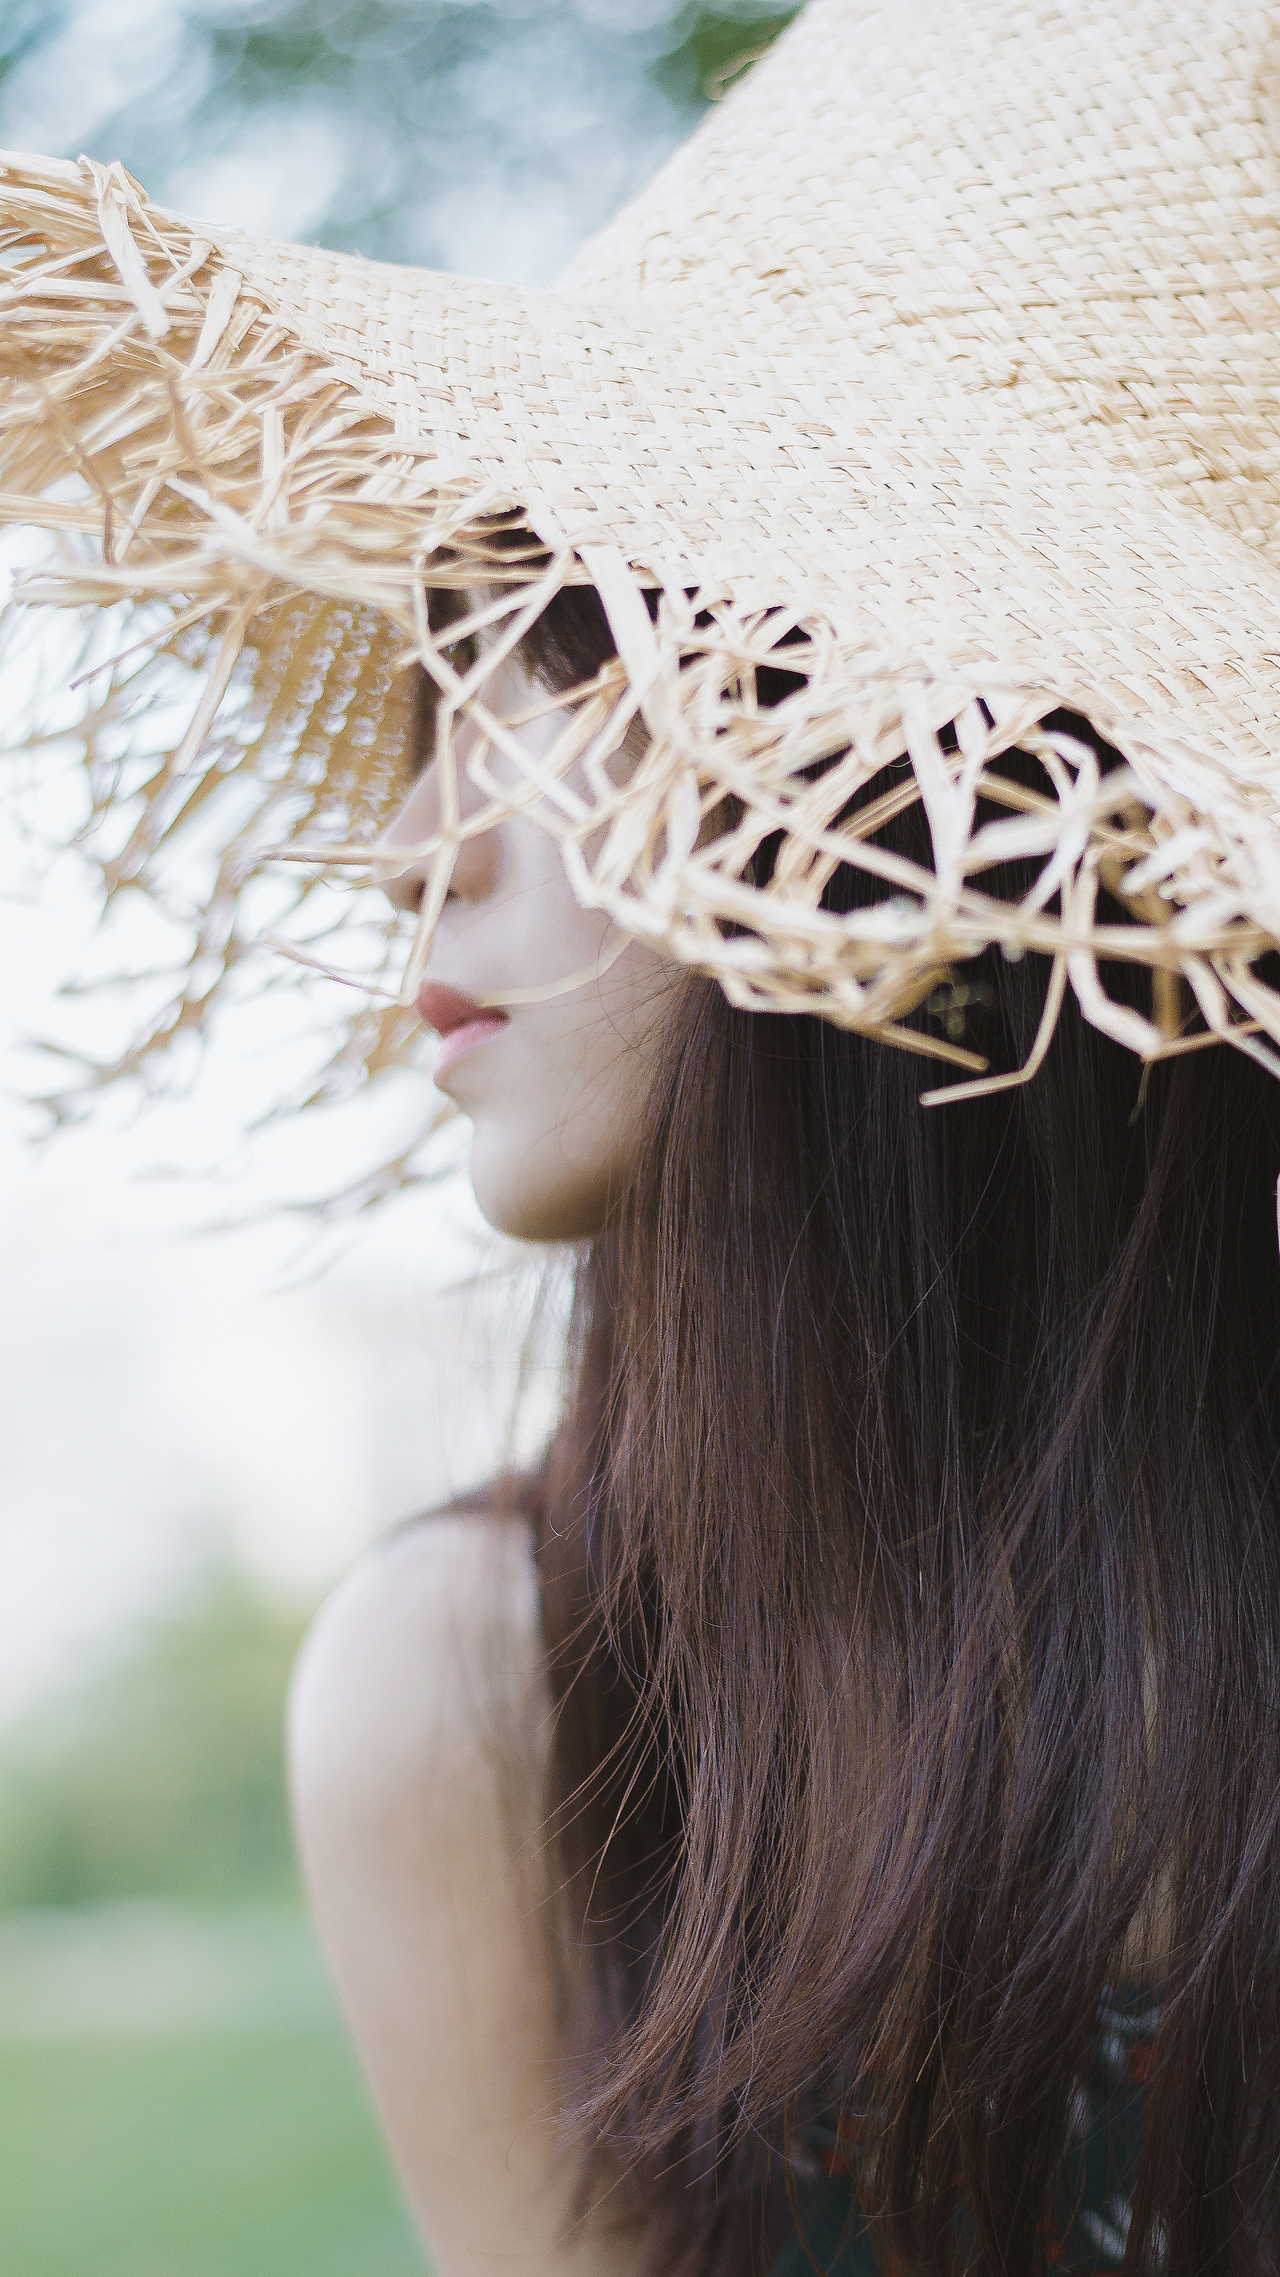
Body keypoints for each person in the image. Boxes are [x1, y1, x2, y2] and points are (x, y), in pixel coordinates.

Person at [6, 1, 1280, 2270]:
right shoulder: (487, 1697)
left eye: (560, 662)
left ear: (934, 760)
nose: (411, 837)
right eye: (442, 675)